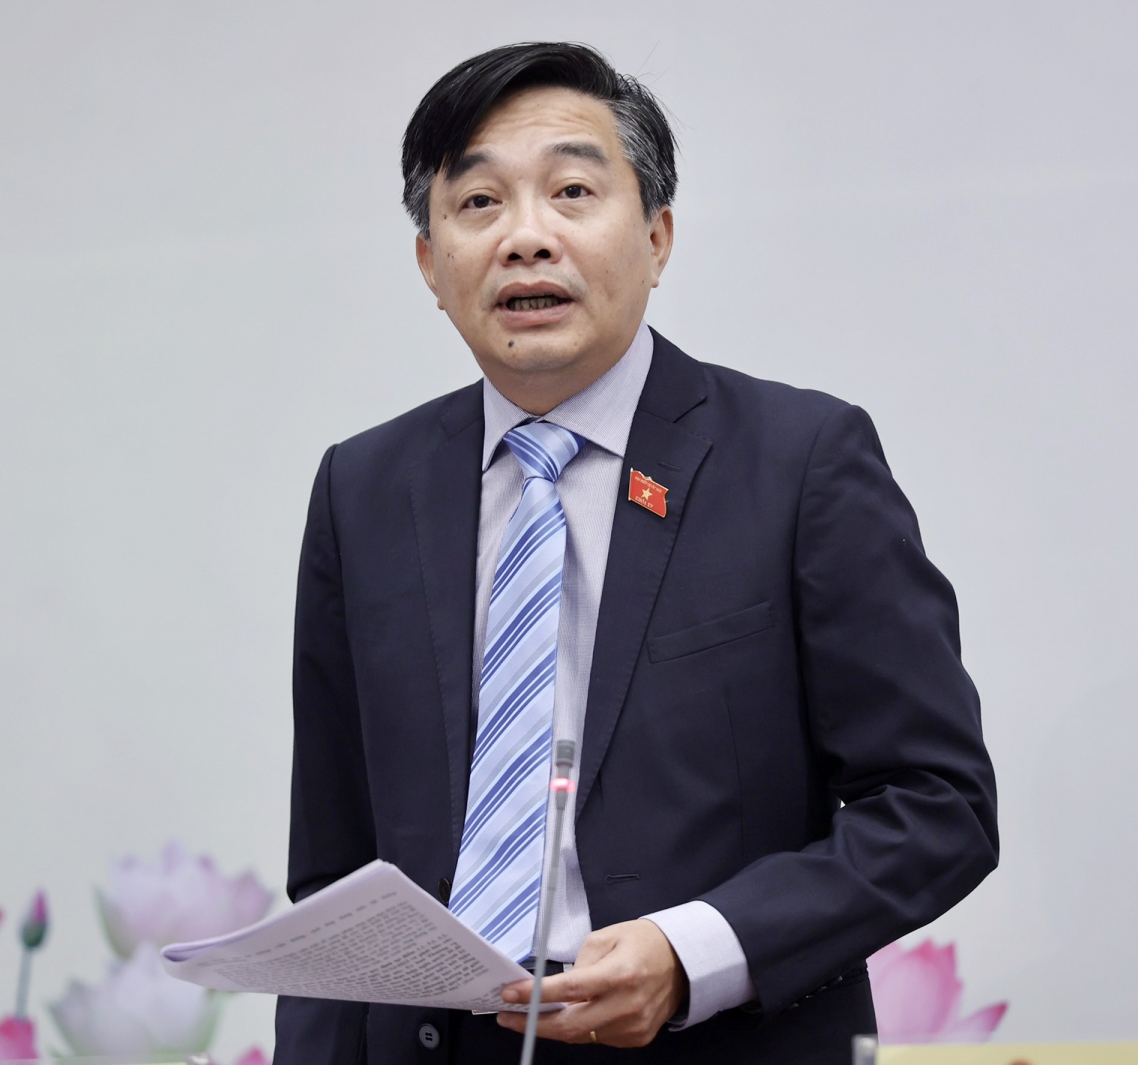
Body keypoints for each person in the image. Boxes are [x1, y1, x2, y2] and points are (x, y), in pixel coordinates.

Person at [275, 42, 998, 1065]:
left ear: (657, 237)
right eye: (478, 203)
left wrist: (691, 953)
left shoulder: (799, 463)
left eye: (572, 192)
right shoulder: (363, 489)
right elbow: (337, 874)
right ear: (432, 264)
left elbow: (936, 807)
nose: (527, 237)